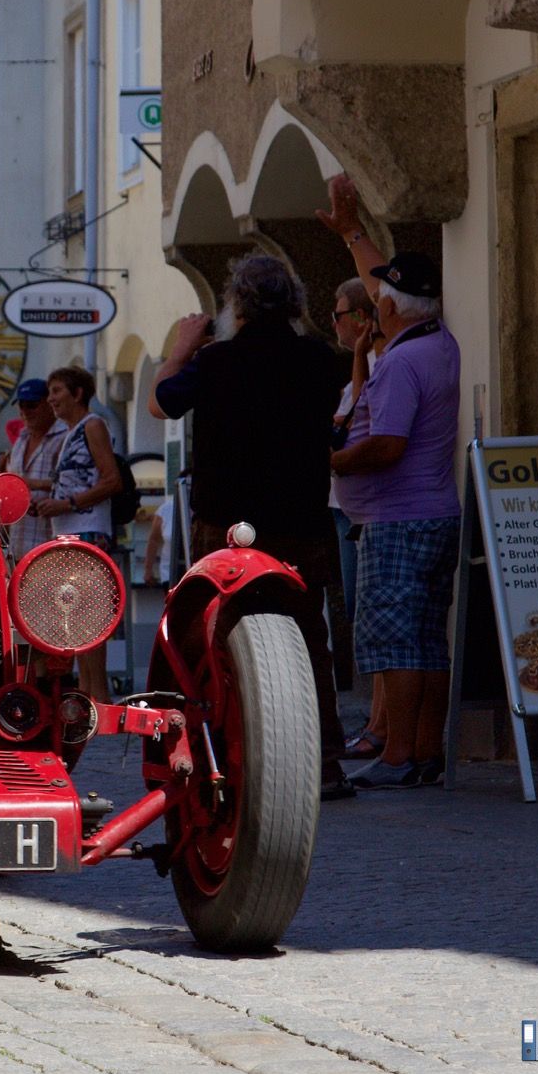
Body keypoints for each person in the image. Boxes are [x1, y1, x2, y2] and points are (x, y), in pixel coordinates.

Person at [150, 253, 353, 800]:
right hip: (302, 522)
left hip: (227, 525)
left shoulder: (217, 361)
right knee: (311, 641)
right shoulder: (320, 360)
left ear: (236, 304)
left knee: (217, 641)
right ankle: (326, 765)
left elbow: (159, 402)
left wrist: (180, 351)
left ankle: (226, 763)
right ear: (295, 303)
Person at [319, 174, 462, 790]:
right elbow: (385, 279)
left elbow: (386, 444)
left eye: (381, 298)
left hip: (397, 522)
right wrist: (352, 230)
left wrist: (331, 461)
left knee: (398, 646)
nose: (376, 300)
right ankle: (424, 750)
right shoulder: (438, 341)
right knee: (428, 643)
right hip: (433, 514)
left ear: (391, 311)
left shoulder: (401, 362)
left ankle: (400, 754)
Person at [36, 366, 123, 702]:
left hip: (88, 533)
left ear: (78, 394)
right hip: (72, 534)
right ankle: (89, 698)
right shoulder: (72, 432)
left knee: (90, 622)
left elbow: (110, 480)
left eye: (57, 390)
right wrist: (41, 495)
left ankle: (99, 701)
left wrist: (66, 503)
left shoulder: (94, 425)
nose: (51, 399)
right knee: (81, 623)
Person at [329, 277, 388, 759]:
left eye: (339, 311)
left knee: (372, 616)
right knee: (360, 614)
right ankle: (375, 720)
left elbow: (361, 422)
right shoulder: (361, 367)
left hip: (367, 511)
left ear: (362, 319)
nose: (334, 321)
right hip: (347, 508)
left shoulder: (378, 366)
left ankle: (379, 724)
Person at [0, 378, 68, 560]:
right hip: (18, 546)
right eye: (21, 405)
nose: (24, 412)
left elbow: (73, 485)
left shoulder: (65, 438)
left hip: (51, 545)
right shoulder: (21, 440)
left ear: (49, 404)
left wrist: (30, 485)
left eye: (31, 405)